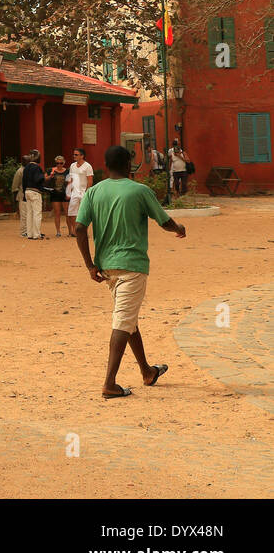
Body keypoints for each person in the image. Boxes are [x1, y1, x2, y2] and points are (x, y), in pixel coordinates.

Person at [74, 144, 186, 399]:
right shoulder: (140, 191)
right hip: (132, 267)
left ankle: (147, 371)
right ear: (128, 166)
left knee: (129, 319)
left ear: (106, 165)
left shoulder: (93, 192)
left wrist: (90, 265)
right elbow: (164, 221)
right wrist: (179, 227)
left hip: (106, 268)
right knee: (123, 322)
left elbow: (80, 229)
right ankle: (109, 384)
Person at [66, 147, 94, 234]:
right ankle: (75, 230)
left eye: (76, 154)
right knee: (71, 213)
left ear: (82, 156)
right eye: (74, 154)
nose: (74, 156)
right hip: (74, 192)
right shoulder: (72, 165)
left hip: (83, 192)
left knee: (84, 213)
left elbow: (90, 181)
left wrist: (86, 193)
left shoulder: (88, 166)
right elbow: (70, 179)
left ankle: (83, 231)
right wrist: (68, 191)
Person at [20, 150, 46, 240]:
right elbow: (38, 179)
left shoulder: (26, 167)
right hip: (35, 192)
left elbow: (23, 182)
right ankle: (36, 234)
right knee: (37, 213)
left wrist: (24, 194)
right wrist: (44, 177)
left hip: (27, 191)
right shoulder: (37, 167)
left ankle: (30, 234)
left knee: (29, 213)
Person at [47, 155, 69, 237]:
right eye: (57, 163)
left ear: (64, 163)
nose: (59, 165)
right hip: (55, 194)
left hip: (65, 194)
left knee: (68, 213)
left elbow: (70, 182)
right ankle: (58, 231)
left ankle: (70, 231)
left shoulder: (67, 171)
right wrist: (51, 176)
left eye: (61, 163)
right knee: (57, 213)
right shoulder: (51, 170)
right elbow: (44, 179)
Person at [10, 160, 26, 235]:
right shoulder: (20, 171)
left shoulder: (30, 169)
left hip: (29, 195)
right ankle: (23, 232)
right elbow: (15, 186)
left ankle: (28, 230)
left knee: (29, 215)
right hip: (22, 195)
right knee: (23, 214)